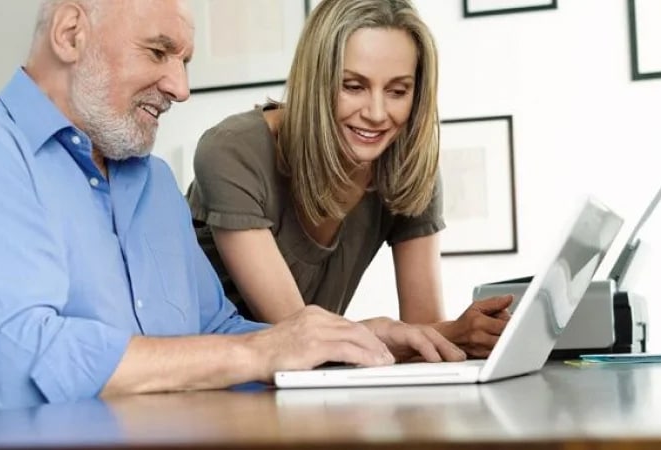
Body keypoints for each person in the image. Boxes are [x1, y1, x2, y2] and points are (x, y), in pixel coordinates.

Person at [0, 0, 464, 419]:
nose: (180, 87)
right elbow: (24, 362)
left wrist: (352, 339)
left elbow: (220, 328)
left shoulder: (152, 184)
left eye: (184, 62)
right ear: (70, 33)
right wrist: (259, 353)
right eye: (158, 52)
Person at [187, 0, 511, 358]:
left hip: (310, 389)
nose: (375, 113)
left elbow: (425, 333)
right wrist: (388, 330)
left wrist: (467, 333)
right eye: (353, 86)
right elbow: (295, 335)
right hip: (212, 387)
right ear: (316, 81)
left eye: (398, 91)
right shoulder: (233, 152)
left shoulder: (406, 168)